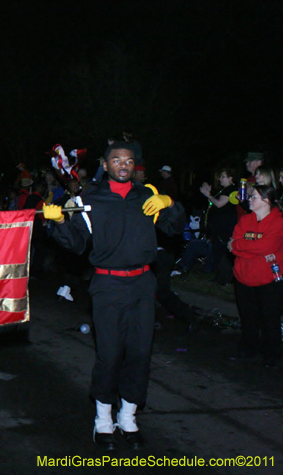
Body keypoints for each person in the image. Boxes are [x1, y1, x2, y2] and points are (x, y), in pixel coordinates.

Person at [44, 142, 185, 450]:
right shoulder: (88, 199)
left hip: (142, 284)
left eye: (129, 160)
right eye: (117, 160)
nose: (124, 164)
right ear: (106, 165)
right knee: (109, 355)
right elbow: (76, 244)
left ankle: (128, 417)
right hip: (107, 286)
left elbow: (176, 228)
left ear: (135, 166)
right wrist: (59, 222)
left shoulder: (147, 195)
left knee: (139, 354)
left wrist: (169, 202)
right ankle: (103, 420)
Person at [227, 184, 283, 368]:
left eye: (253, 197)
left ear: (266, 201)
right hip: (243, 277)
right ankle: (249, 348)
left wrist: (239, 247)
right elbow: (233, 243)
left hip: (268, 279)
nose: (249, 200)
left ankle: (272, 354)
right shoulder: (245, 220)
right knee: (247, 317)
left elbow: (266, 247)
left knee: (269, 319)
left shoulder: (278, 221)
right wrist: (248, 249)